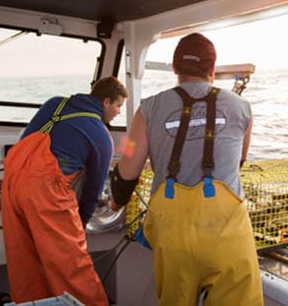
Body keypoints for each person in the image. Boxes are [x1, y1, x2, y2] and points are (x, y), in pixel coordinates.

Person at [111, 33, 263, 305]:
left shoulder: (146, 109)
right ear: (212, 71)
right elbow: (240, 160)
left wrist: (117, 199)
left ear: (175, 68)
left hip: (173, 236)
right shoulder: (243, 109)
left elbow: (128, 167)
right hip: (227, 234)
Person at [1, 76, 128, 305]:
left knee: (25, 259)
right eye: (118, 105)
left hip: (12, 179)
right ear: (106, 101)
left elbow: (27, 138)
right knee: (71, 263)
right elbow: (93, 190)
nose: (118, 112)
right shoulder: (101, 136)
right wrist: (80, 223)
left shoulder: (55, 103)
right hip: (46, 190)